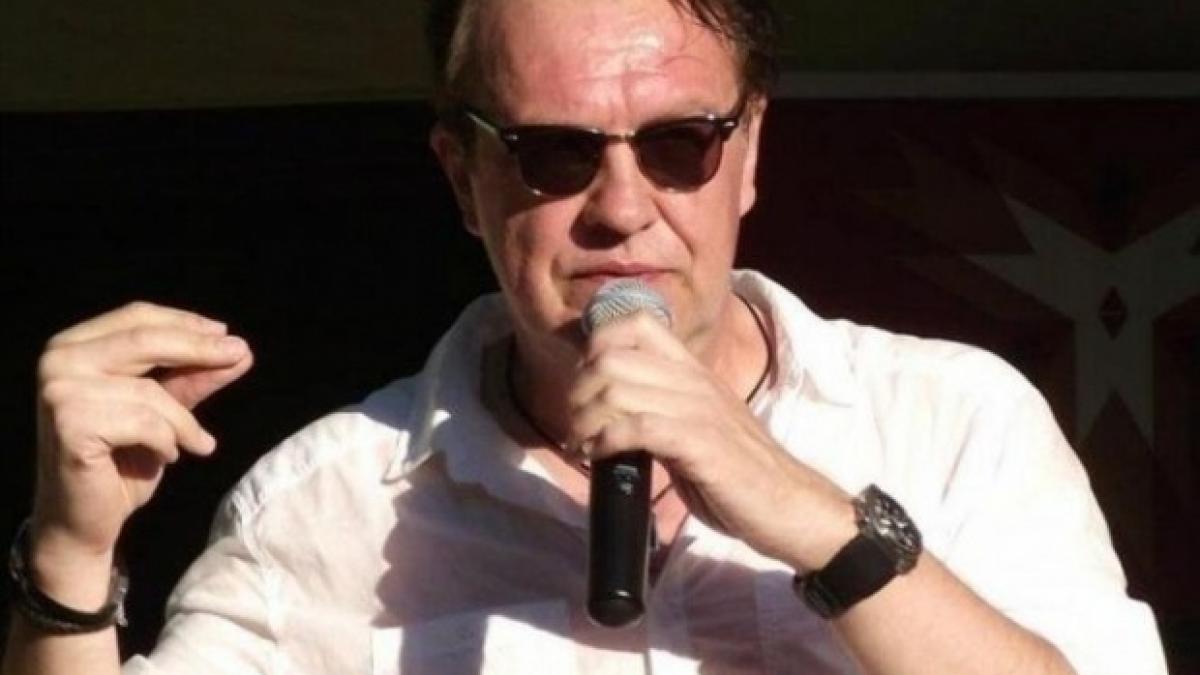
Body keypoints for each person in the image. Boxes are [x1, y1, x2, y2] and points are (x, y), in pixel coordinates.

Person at [3, 0, 1169, 673]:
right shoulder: (325, 499)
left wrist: (811, 517)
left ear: (749, 154)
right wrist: (66, 562)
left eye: (678, 145)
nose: (622, 207)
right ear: (462, 179)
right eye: (554, 153)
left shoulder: (956, 420)